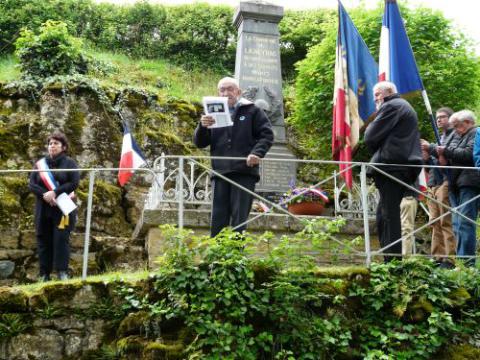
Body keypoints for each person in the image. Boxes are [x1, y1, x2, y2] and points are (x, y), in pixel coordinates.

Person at [193, 77, 273, 237]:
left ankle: (235, 259)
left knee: (239, 218)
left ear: (238, 92)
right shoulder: (211, 113)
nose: (226, 93)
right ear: (218, 93)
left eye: (230, 89)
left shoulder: (252, 110)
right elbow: (200, 143)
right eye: (222, 90)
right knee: (218, 217)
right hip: (220, 172)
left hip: (244, 172)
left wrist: (257, 153)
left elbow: (267, 135)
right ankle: (216, 258)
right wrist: (202, 126)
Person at [364, 81, 422, 262]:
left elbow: (370, 136)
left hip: (393, 166)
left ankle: (393, 264)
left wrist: (377, 150)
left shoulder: (392, 105)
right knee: (383, 214)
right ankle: (390, 260)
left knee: (389, 215)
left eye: (377, 94)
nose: (375, 98)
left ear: (389, 92)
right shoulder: (401, 106)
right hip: (398, 165)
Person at [29, 131, 80, 281]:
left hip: (62, 208)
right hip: (43, 207)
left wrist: (55, 192)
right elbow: (32, 184)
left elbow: (74, 183)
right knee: (43, 240)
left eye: (56, 143)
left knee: (61, 240)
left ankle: (62, 272)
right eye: (50, 143)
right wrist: (45, 195)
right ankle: (44, 274)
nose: (52, 146)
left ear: (63, 147)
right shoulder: (39, 164)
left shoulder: (70, 163)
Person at [437, 110, 480, 266]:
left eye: (458, 126)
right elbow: (448, 151)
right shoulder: (456, 135)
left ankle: (467, 264)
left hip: (470, 182)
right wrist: (438, 153)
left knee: (465, 222)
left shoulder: (476, 133)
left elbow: (469, 154)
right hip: (454, 182)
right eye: (453, 126)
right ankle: (461, 262)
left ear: (469, 122)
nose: (455, 129)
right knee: (456, 223)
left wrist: (446, 151)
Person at [420, 107, 456, 268]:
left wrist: (431, 148)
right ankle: (438, 256)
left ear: (451, 118)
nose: (439, 120)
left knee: (445, 220)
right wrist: (426, 158)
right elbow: (431, 166)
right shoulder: (440, 137)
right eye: (437, 117)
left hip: (445, 181)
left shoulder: (455, 136)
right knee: (434, 221)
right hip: (433, 183)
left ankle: (450, 258)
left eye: (443, 117)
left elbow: (448, 158)